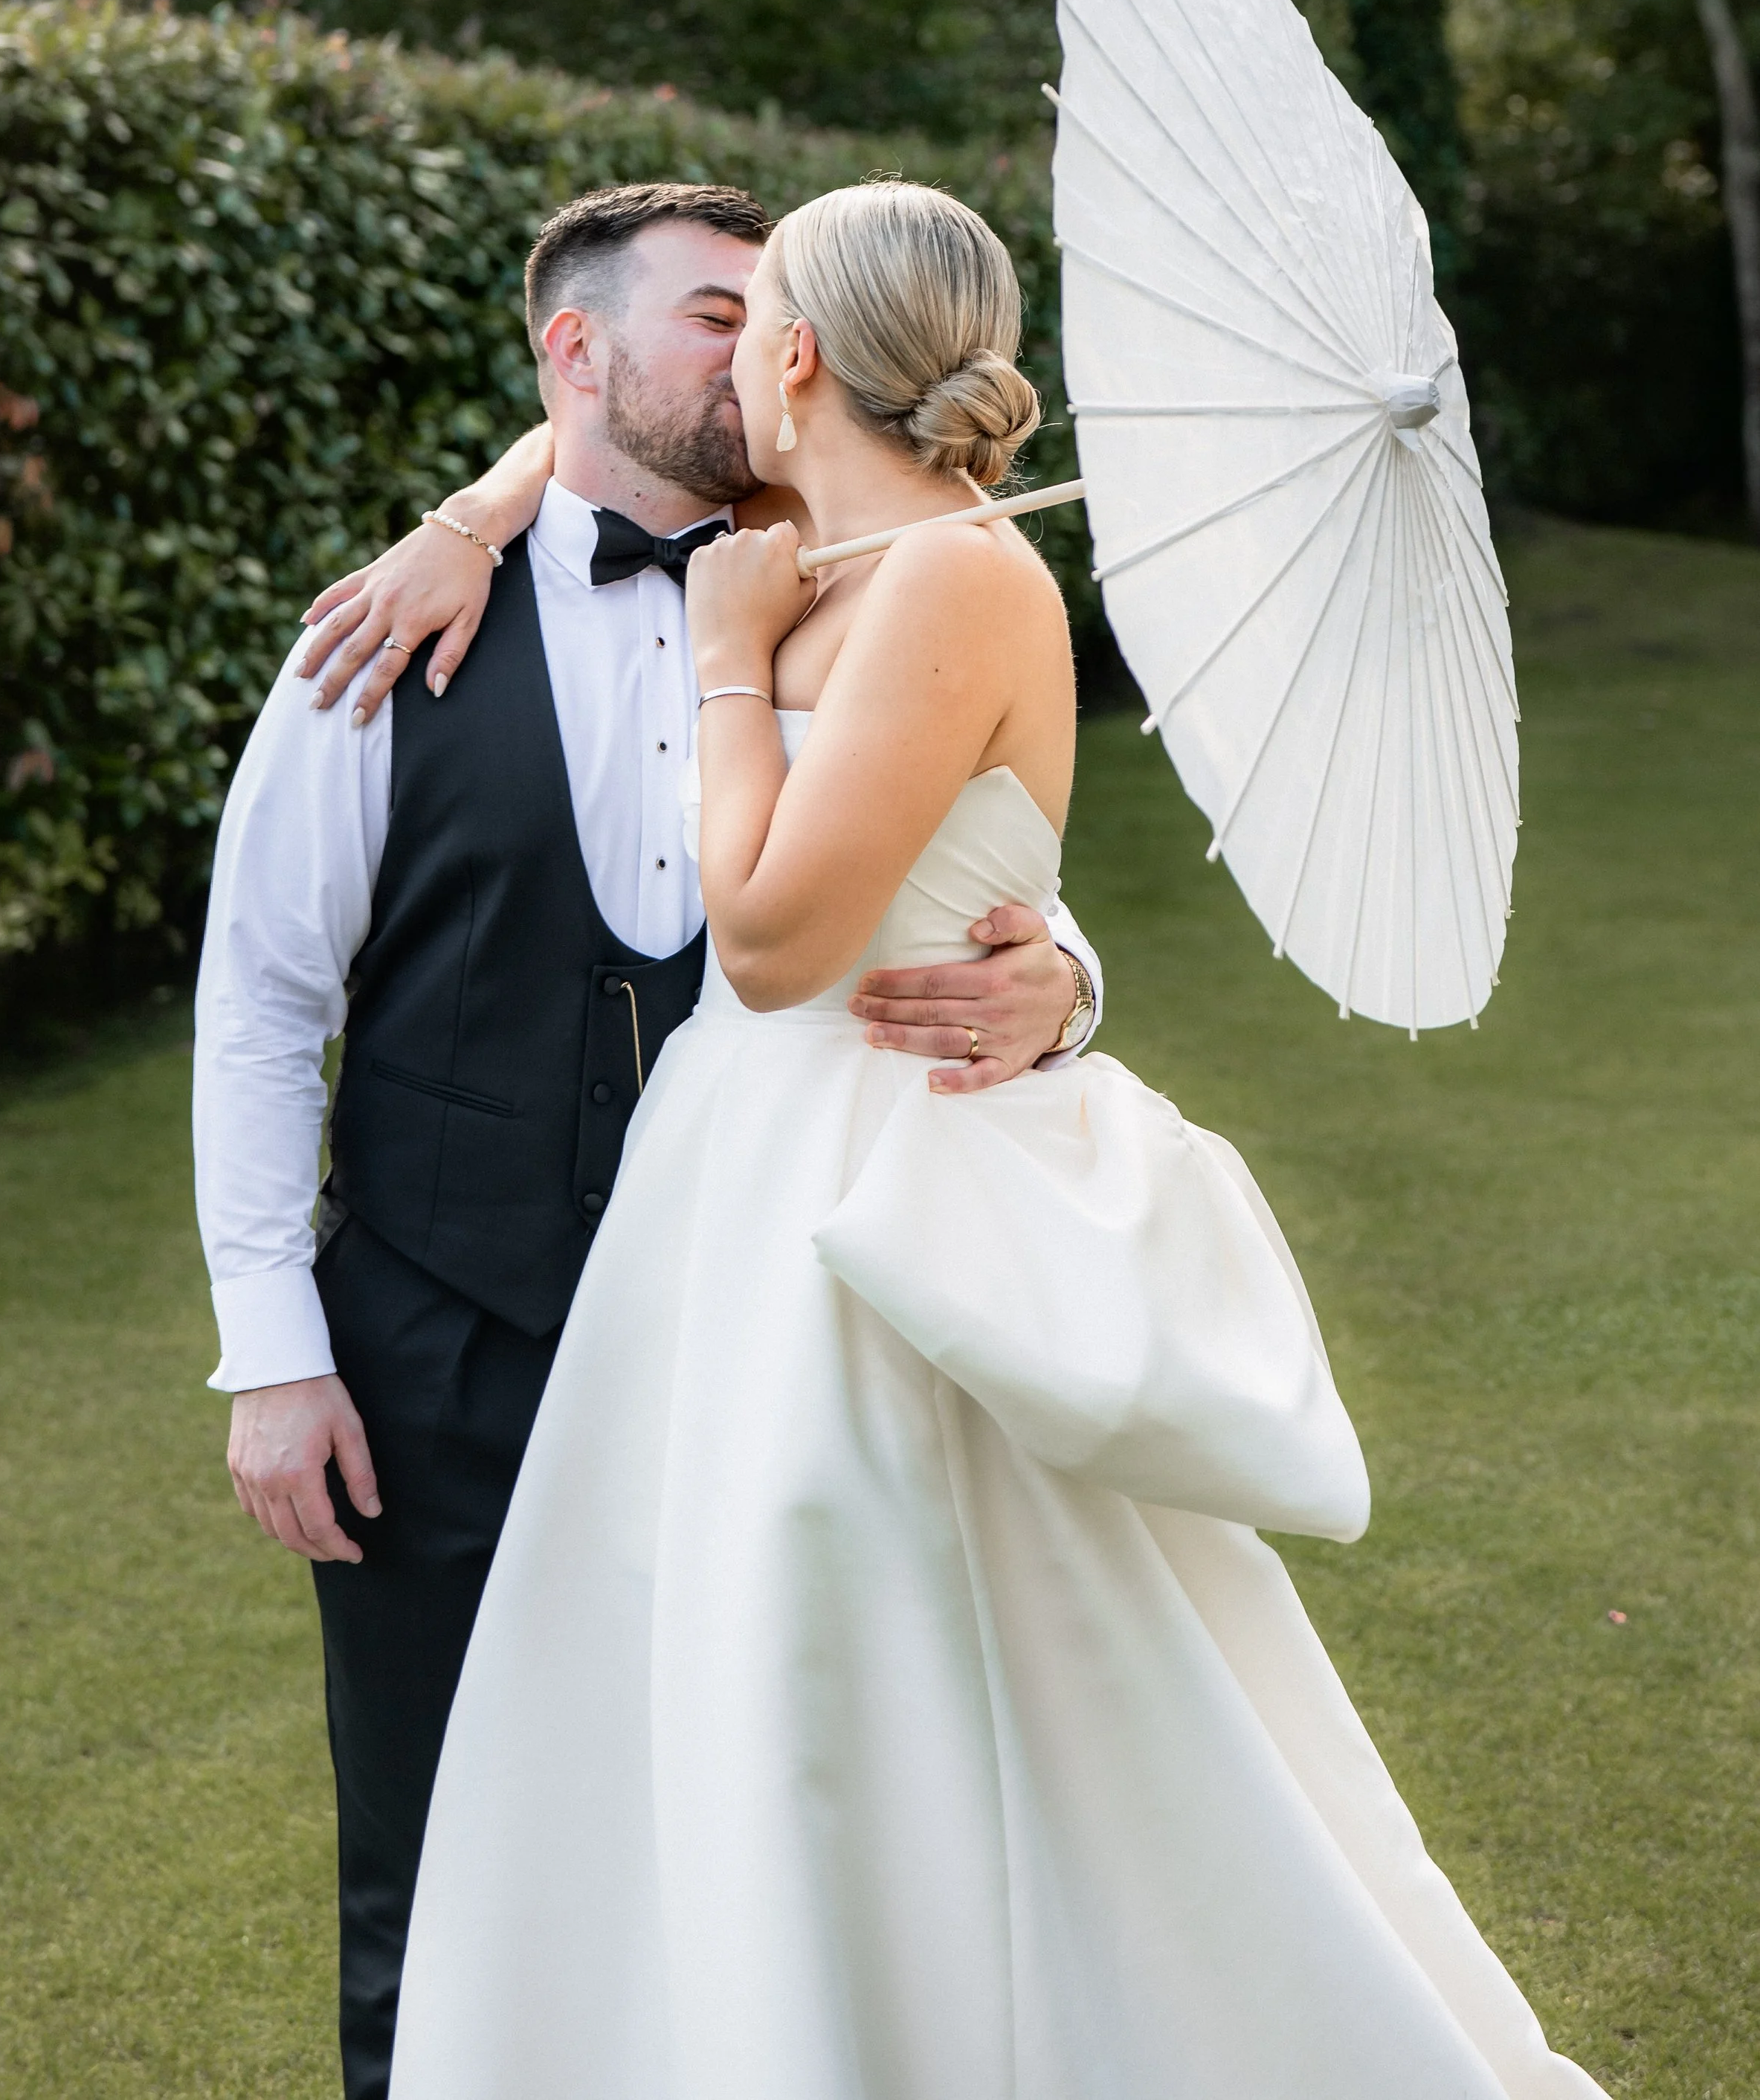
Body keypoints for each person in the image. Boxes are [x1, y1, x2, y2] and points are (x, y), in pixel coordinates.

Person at [384, 181, 1606, 2099]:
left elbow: (782, 943)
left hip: (877, 1168)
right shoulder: (809, 544)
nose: (722, 358)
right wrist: (464, 523)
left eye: (747, 318)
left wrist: (724, 662)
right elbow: (591, 409)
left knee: (911, 1644)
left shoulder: (952, 579)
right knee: (709, 1639)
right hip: (734, 1180)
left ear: (793, 355)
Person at [193, 181, 1103, 2100]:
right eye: (715, 310)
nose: (762, 342)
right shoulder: (386, 634)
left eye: (768, 310)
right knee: (434, 1872)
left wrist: (1066, 979)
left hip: (760, 1335)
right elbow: (265, 1005)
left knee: (754, 1849)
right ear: (574, 355)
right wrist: (276, 1350)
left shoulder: (877, 586)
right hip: (444, 1333)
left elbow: (964, 870)